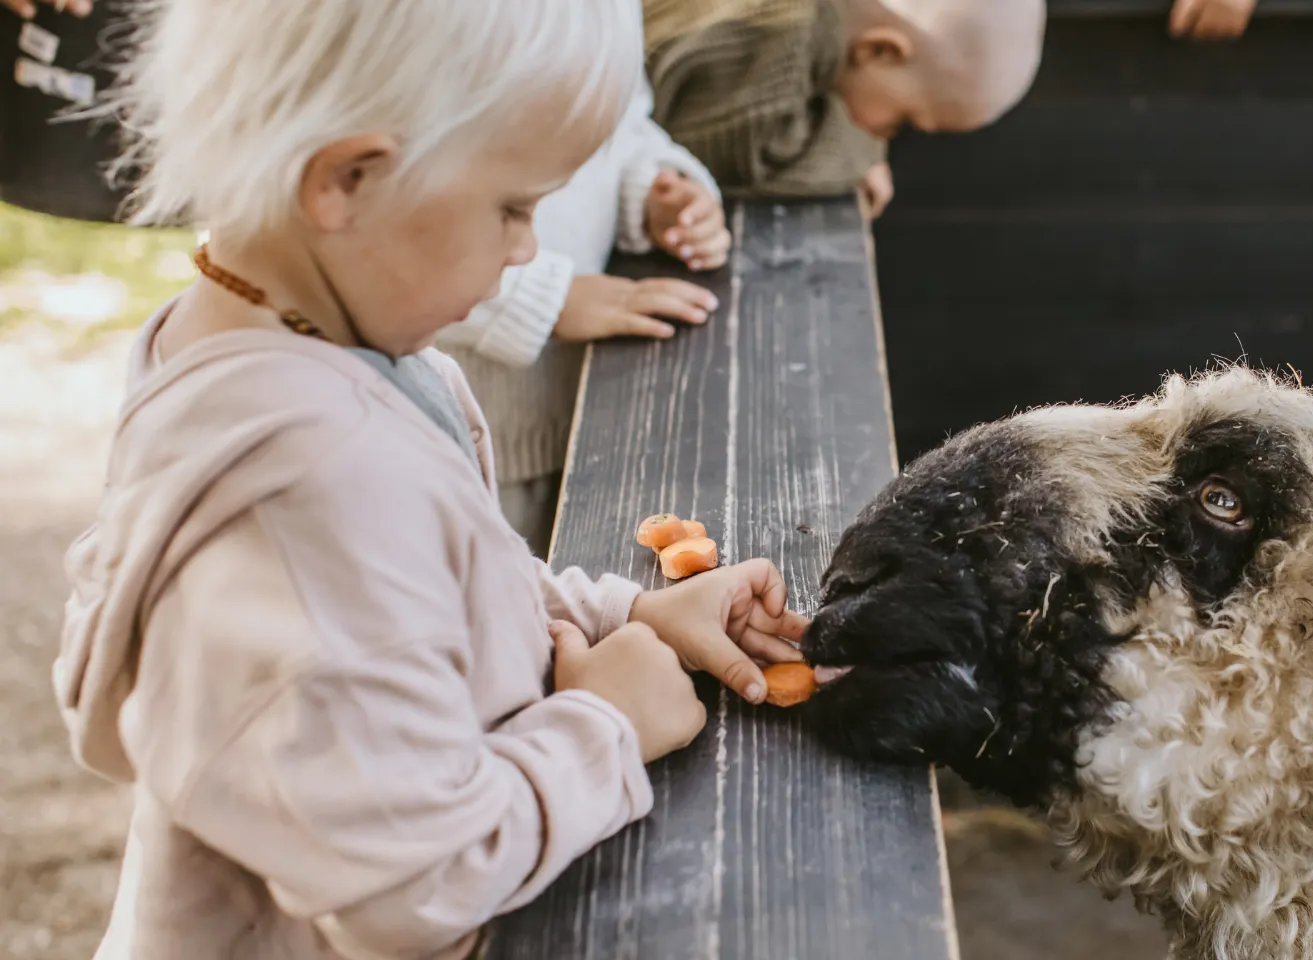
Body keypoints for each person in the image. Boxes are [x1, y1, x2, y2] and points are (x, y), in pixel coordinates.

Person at [53, 1, 808, 957]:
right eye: (513, 207)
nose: (529, 249)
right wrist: (603, 724)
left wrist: (627, 618)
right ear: (348, 180)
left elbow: (429, 604)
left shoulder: (273, 352)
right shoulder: (312, 480)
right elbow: (407, 884)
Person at [434, 49, 730, 552]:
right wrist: (545, 296)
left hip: (574, 410)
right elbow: (367, 216)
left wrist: (651, 191)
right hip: (459, 436)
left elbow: (620, 118)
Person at [642, 0, 1048, 218]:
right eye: (902, 122)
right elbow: (752, 153)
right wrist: (860, 154)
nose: (883, 136)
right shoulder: (788, 34)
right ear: (880, 51)